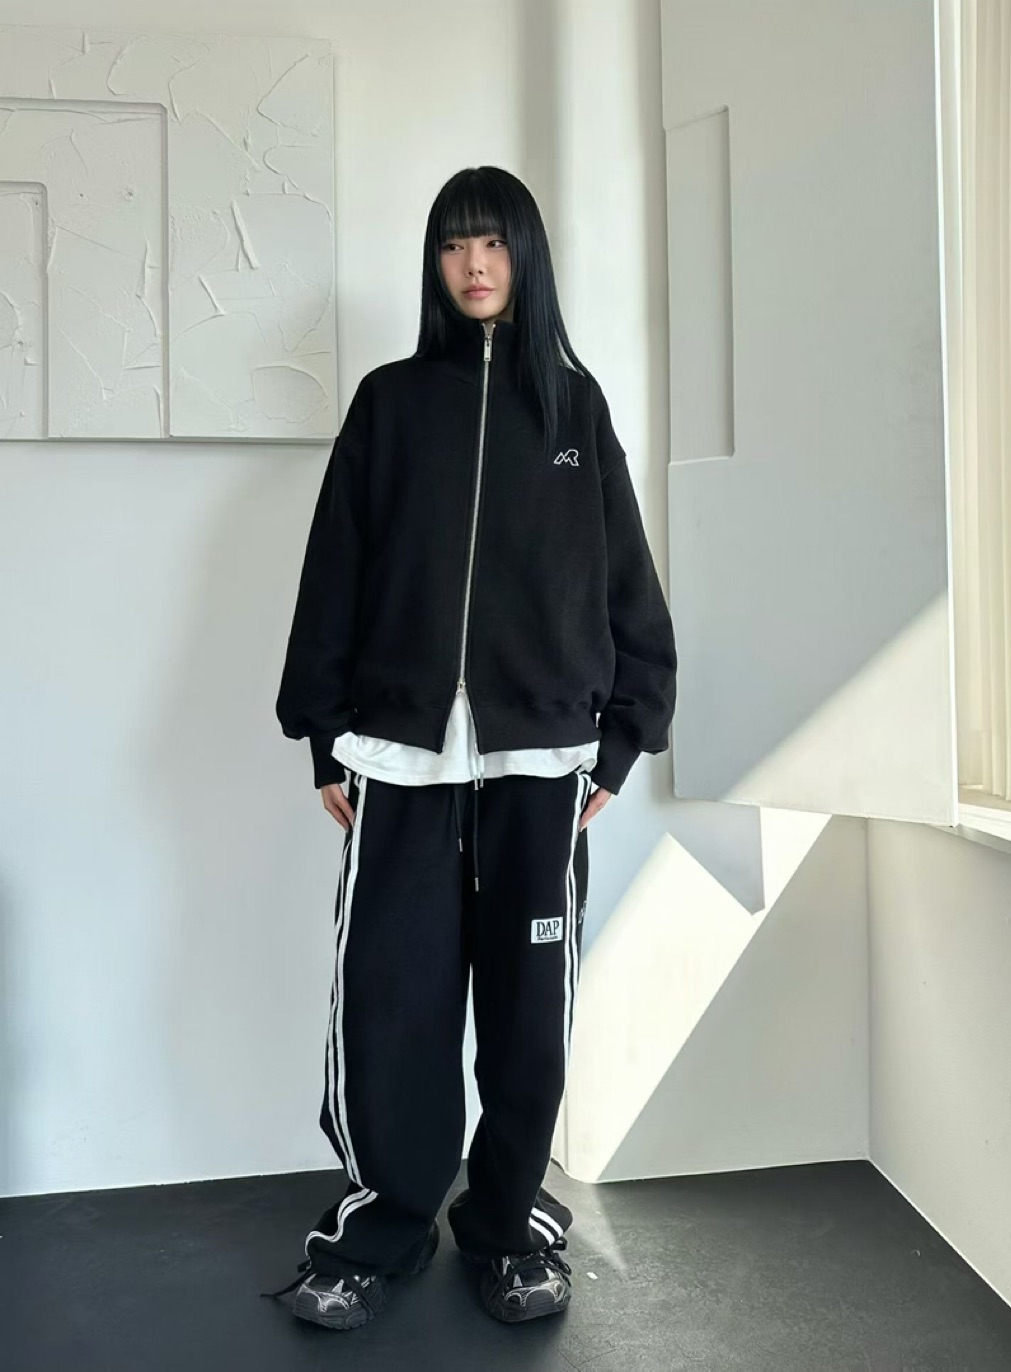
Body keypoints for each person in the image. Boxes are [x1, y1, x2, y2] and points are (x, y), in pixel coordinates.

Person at [264, 165, 677, 1330]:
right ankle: (377, 1233)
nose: (474, 264)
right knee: (389, 1006)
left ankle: (503, 1228)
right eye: (453, 245)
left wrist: (620, 742)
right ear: (435, 264)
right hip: (399, 763)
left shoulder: (573, 410)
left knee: (526, 1022)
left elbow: (623, 580)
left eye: (493, 242)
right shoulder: (390, 404)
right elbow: (336, 566)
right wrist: (323, 735)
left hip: (539, 769)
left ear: (524, 256)